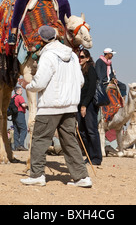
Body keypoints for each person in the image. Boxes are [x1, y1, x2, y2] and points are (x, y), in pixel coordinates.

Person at [19, 25, 92, 188]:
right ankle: (81, 177)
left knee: (40, 140)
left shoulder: (48, 56)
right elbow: (80, 81)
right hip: (70, 107)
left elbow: (40, 83)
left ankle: (37, 175)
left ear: (42, 40)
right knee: (70, 142)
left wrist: (26, 85)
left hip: (50, 106)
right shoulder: (73, 56)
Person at [77, 49, 102, 165]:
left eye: (82, 57)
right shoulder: (78, 70)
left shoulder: (91, 69)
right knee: (82, 132)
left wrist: (84, 105)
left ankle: (96, 157)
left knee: (92, 131)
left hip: (89, 105)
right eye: (79, 56)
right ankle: (88, 155)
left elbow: (91, 89)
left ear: (87, 58)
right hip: (79, 104)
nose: (80, 59)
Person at [12, 86, 28, 151]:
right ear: (17, 91)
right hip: (20, 114)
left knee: (16, 131)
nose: (22, 92)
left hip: (13, 115)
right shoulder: (19, 97)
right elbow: (23, 105)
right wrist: (27, 105)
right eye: (21, 90)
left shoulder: (12, 97)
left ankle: (17, 146)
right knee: (24, 129)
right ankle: (21, 145)